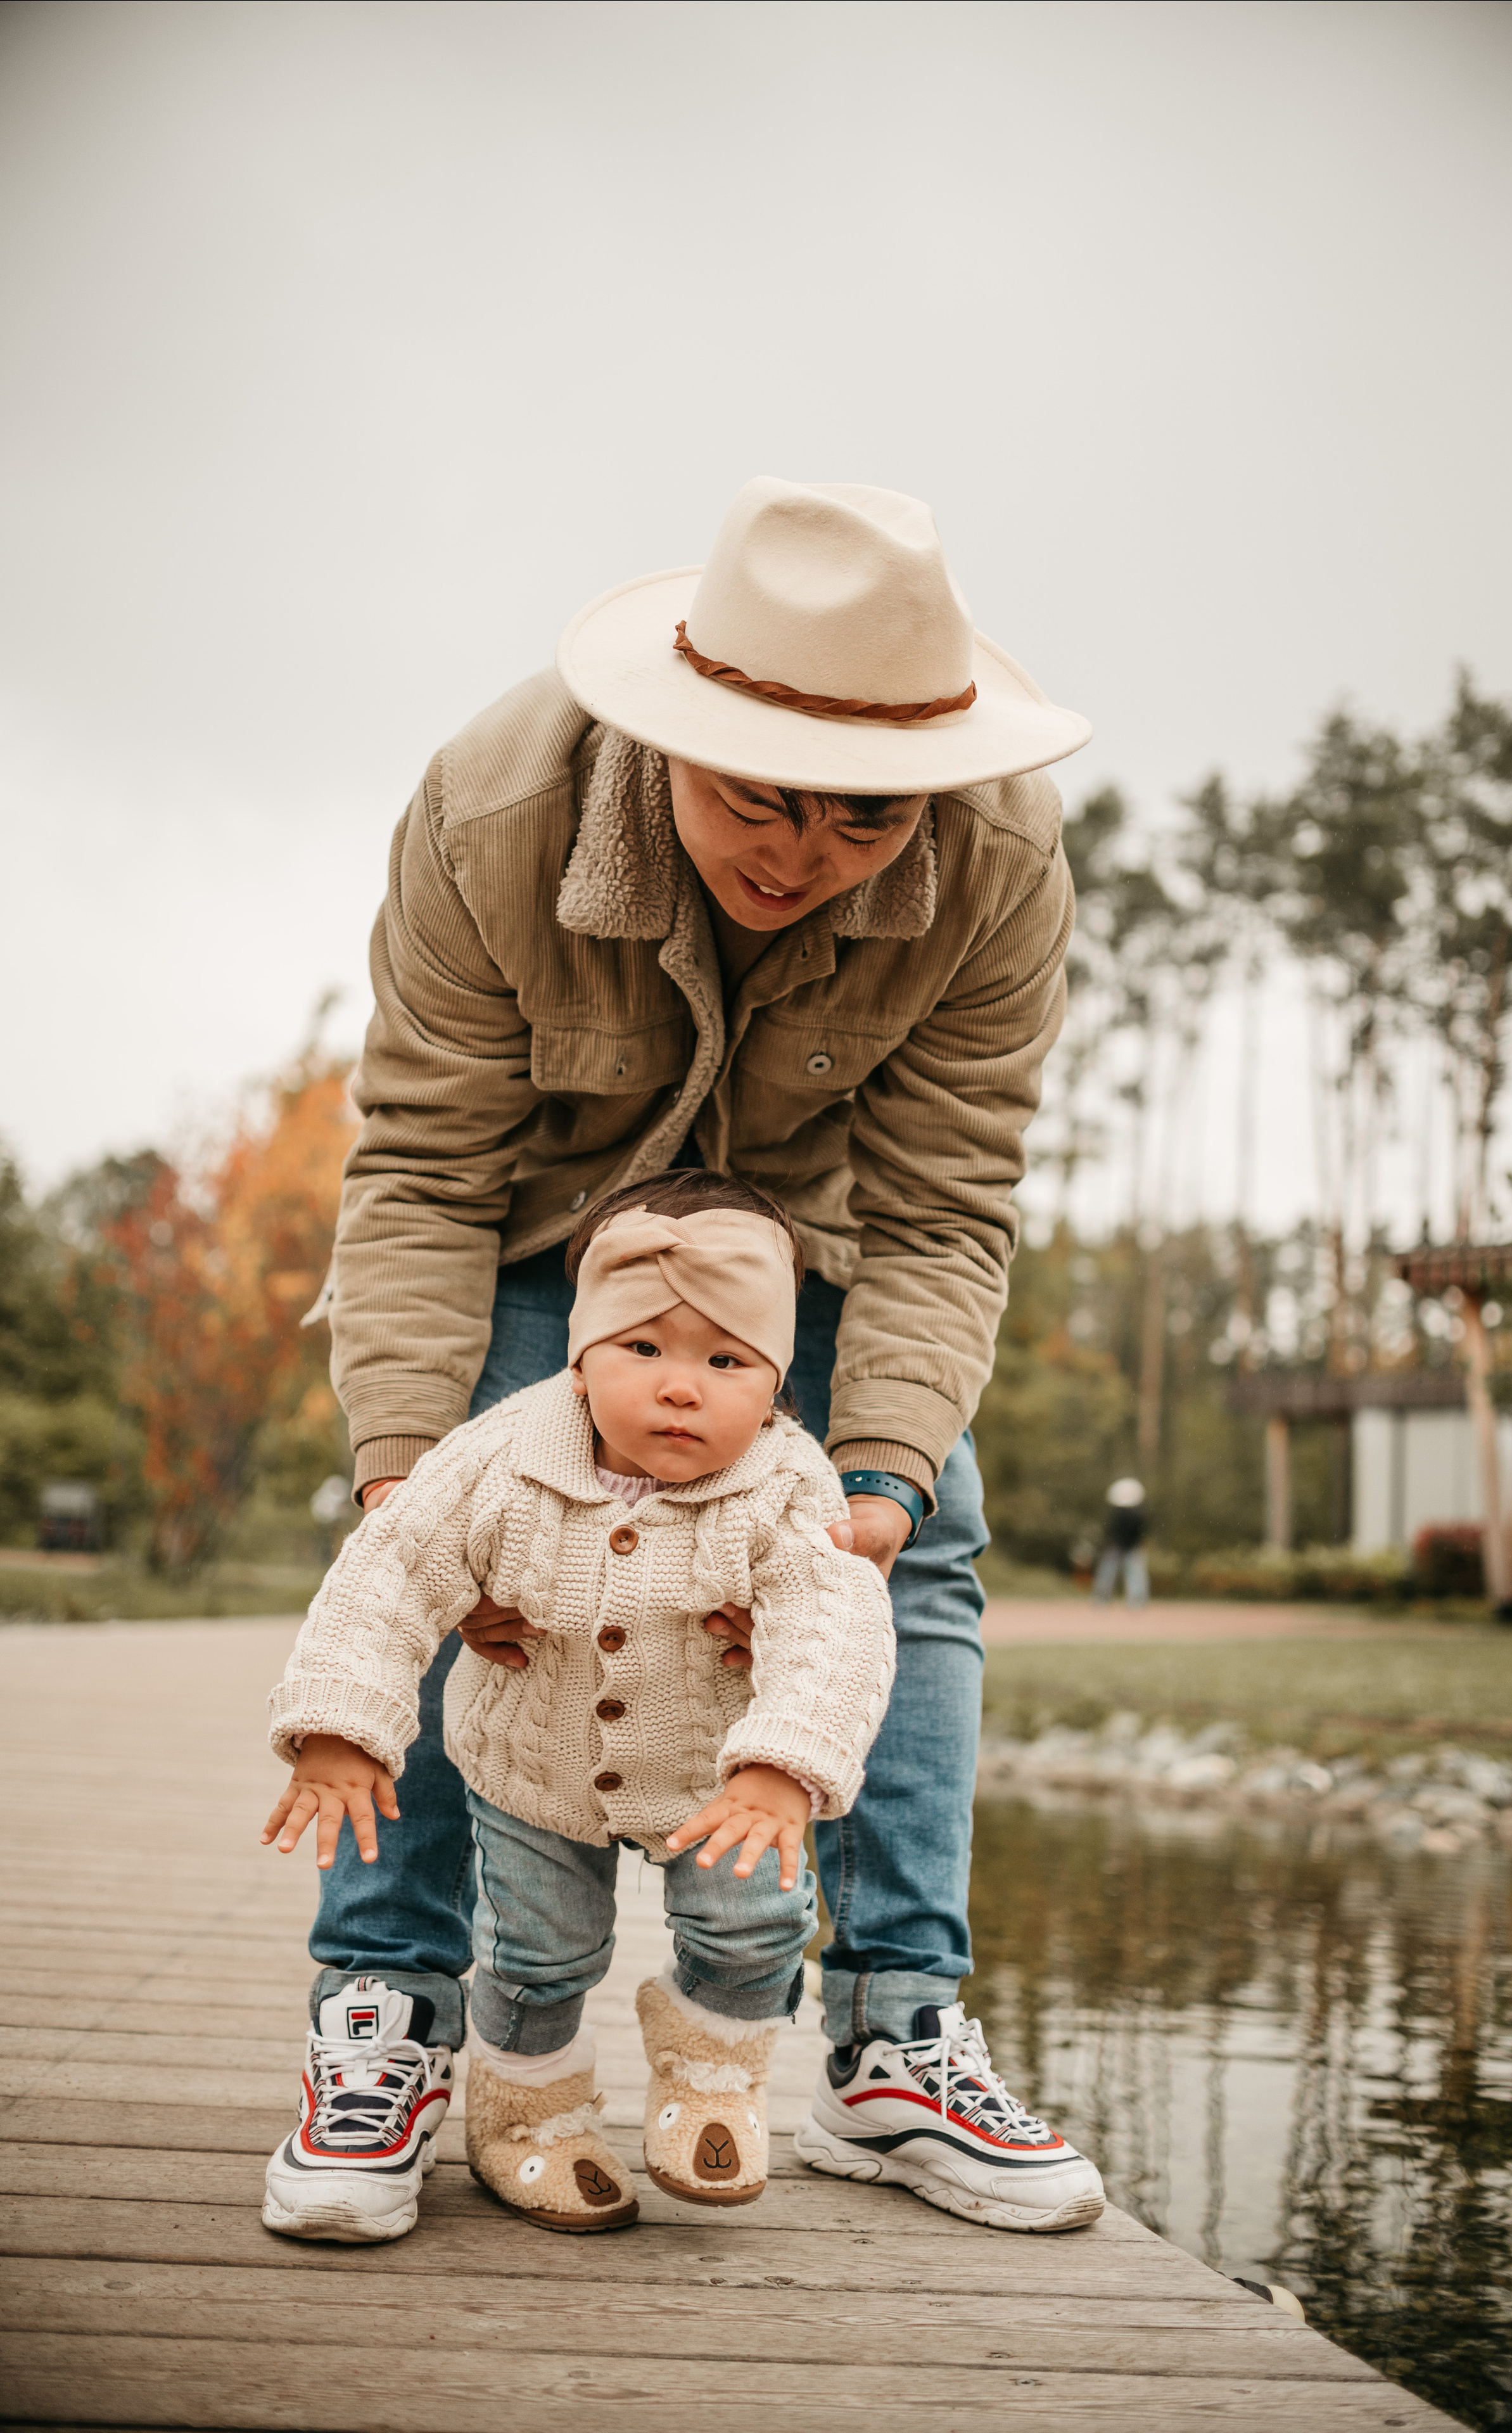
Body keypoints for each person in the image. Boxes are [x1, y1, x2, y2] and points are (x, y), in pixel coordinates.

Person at [269, 473, 1106, 2241]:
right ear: (672, 737)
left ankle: (893, 2040)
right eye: (758, 800)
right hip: (532, 1227)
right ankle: (389, 2015)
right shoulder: (492, 812)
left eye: (865, 821)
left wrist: (878, 1478)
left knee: (922, 1531)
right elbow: (423, 1167)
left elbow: (946, 1203)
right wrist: (405, 1469)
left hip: (810, 1246)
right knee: (439, 1533)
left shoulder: (1002, 861)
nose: (802, 857)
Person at [262, 1176, 895, 2237]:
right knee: (540, 1952)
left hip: (720, 1776)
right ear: (581, 1352)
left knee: (757, 1928)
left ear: (778, 1380)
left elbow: (836, 1619)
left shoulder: (788, 1484)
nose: (681, 1388)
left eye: (727, 1361)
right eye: (643, 1349)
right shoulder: (500, 1454)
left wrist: (783, 1762)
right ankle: (530, 2117)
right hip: (532, 1764)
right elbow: (393, 1568)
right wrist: (340, 1726)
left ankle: (710, 2073)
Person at [1093, 1478, 1150, 1606]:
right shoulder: (1135, 1513)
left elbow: (1136, 1531)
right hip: (1119, 1546)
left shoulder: (1131, 1513)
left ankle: (1135, 1600)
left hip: (1128, 1546)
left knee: (1130, 1573)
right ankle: (1103, 1598)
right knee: (1110, 1572)